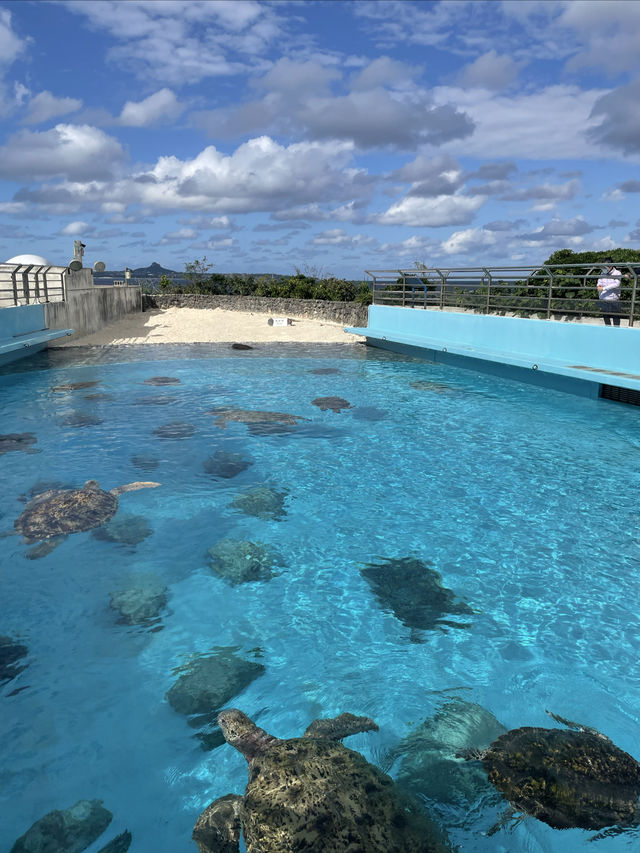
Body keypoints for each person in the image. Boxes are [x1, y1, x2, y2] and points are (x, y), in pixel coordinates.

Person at [596, 258, 622, 326]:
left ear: (610, 266)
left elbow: (616, 284)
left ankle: (616, 331)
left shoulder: (617, 273)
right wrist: (598, 286)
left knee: (616, 317)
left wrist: (603, 288)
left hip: (614, 299)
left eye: (605, 267)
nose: (603, 268)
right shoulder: (602, 273)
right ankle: (608, 330)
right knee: (606, 316)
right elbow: (599, 282)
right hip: (604, 298)